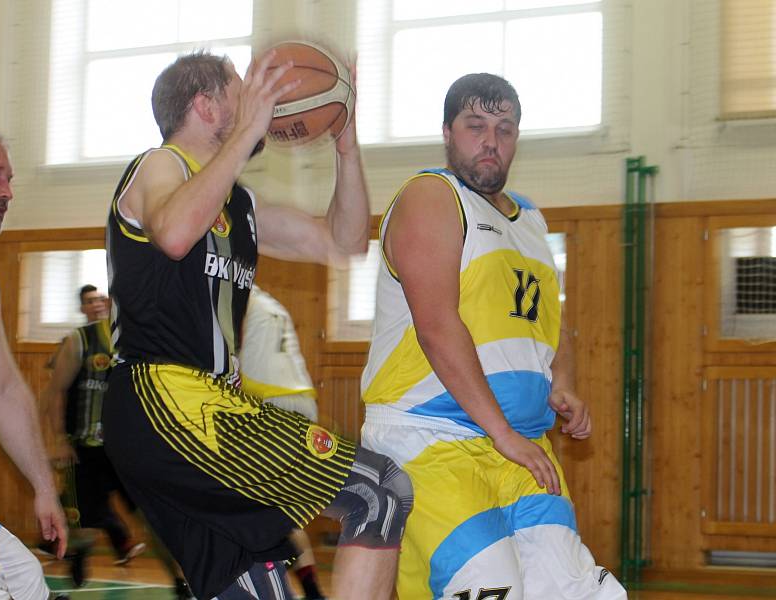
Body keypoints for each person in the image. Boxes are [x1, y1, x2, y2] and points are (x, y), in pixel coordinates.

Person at [103, 51, 412, 600]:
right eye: (242, 94)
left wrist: (347, 144)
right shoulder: (160, 164)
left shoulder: (238, 204)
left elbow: (345, 241)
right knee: (379, 490)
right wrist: (247, 132)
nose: (259, 106)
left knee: (254, 588)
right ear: (205, 106)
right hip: (165, 401)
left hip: (208, 410)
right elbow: (174, 234)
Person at [360, 74, 628, 599]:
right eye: (475, 125)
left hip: (519, 446)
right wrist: (501, 432)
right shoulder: (431, 197)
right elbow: (437, 327)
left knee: (582, 591)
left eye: (505, 129)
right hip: (429, 440)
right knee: (489, 588)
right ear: (447, 132)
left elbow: (550, 324)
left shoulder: (529, 218)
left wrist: (561, 384)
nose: (491, 140)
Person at [0, 124, 68, 598]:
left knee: (28, 579)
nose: (7, 191)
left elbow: (5, 388)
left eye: (9, 179)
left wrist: (44, 487)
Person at [42, 285, 148, 585]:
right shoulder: (80, 340)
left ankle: (181, 582)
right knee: (85, 519)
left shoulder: (139, 341)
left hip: (128, 450)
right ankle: (78, 566)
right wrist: (60, 439)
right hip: (87, 447)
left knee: (150, 516)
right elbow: (55, 391)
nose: (103, 305)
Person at [239, 285, 325, 600]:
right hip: (301, 404)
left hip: (267, 405)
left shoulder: (232, 299)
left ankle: (269, 586)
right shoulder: (268, 301)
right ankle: (312, 589)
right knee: (280, 510)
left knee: (250, 508)